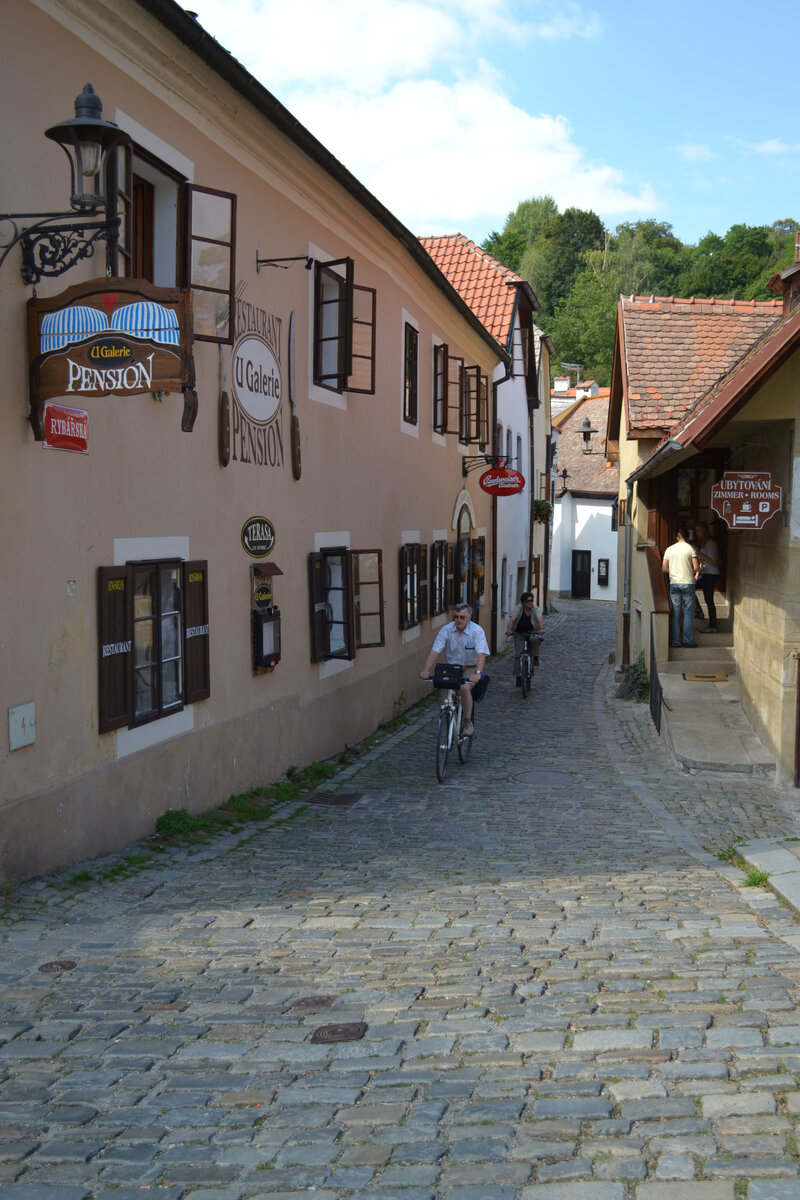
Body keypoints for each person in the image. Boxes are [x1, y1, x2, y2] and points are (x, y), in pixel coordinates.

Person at [419, 601, 489, 737]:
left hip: (470, 666)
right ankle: (447, 731)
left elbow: (481, 655)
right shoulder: (446, 630)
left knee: (464, 688)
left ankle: (468, 722)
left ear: (469, 618)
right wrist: (426, 670)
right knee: (445, 701)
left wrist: (478, 673)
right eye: (456, 617)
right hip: (452, 668)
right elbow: (434, 652)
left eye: (462, 617)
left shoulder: (477, 631)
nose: (458, 620)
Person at [662, 526, 700, 648]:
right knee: (688, 612)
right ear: (687, 537)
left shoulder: (669, 549)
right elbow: (695, 568)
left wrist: (673, 572)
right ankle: (688, 641)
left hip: (674, 583)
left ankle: (676, 641)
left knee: (676, 612)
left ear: (677, 537)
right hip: (688, 582)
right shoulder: (691, 549)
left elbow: (664, 568)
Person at [505, 591, 544, 684]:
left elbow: (539, 619)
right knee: (518, 654)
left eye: (531, 600)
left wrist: (541, 628)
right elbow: (512, 619)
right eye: (527, 601)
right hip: (519, 632)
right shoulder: (518, 608)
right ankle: (518, 676)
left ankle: (535, 657)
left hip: (532, 631)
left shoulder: (535, 609)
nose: (530, 602)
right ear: (523, 602)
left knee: (536, 639)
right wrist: (509, 630)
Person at [694, 521, 720, 632]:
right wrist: (697, 573)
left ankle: (713, 625)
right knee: (690, 587)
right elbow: (701, 561)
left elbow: (712, 560)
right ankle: (698, 611)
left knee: (709, 600)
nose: (697, 533)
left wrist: (699, 553)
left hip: (711, 574)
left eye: (699, 530)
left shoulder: (710, 543)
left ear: (704, 531)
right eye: (696, 531)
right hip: (705, 574)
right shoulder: (704, 543)